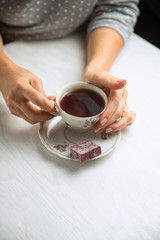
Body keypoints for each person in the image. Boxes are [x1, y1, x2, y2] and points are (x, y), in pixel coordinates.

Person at [0, 0, 139, 133]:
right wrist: (3, 69)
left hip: (84, 39)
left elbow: (117, 8)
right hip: (11, 48)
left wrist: (97, 68)